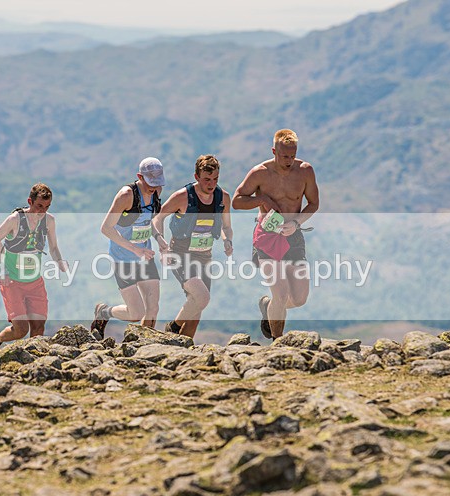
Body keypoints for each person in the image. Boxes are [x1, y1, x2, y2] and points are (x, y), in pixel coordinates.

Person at [233, 129, 320, 340]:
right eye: (284, 156)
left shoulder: (305, 171)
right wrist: (261, 201)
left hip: (293, 235)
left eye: (292, 155)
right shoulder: (259, 173)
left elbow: (314, 203)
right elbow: (237, 201)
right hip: (267, 236)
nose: (289, 160)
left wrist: (296, 223)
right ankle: (277, 344)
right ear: (274, 151)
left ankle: (268, 306)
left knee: (299, 299)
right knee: (280, 294)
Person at [152, 154, 233, 339]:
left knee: (196, 308)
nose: (211, 184)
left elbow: (226, 227)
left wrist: (227, 240)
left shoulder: (223, 198)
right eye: (206, 179)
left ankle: (184, 346)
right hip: (180, 255)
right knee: (202, 297)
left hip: (205, 257)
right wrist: (161, 244)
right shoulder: (182, 197)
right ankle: (172, 328)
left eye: (215, 179)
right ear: (196, 176)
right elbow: (158, 218)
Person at [90, 157, 166, 340]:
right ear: (139, 176)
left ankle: (144, 345)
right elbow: (106, 228)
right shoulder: (126, 195)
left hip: (145, 257)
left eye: (157, 183)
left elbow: (148, 222)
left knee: (153, 308)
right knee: (136, 314)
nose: (153, 187)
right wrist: (135, 249)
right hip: (123, 259)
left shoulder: (156, 191)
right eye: (150, 182)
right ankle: (104, 312)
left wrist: (159, 238)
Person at [0, 183, 67, 352]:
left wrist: (60, 261)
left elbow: (53, 247)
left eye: (46, 207)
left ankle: (32, 361)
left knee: (38, 328)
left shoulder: (49, 221)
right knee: (21, 330)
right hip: (12, 282)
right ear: (30, 201)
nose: (42, 211)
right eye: (39, 206)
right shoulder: (15, 219)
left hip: (35, 281)